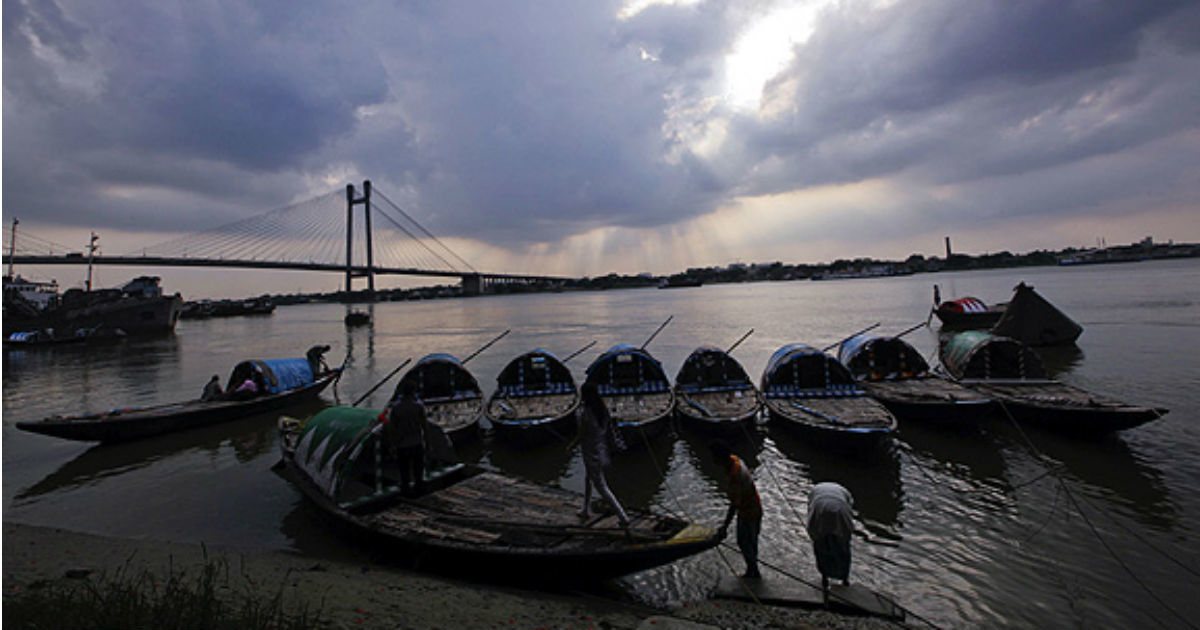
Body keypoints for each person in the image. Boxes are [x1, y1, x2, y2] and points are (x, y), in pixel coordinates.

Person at [576, 382, 629, 527]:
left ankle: (623, 517)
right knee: (588, 479)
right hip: (602, 451)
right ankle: (585, 509)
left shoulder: (585, 413)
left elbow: (581, 434)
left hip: (592, 454)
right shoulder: (602, 410)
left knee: (602, 487)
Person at [713, 442, 763, 579]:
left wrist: (724, 527)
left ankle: (753, 573)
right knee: (749, 542)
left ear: (720, 457)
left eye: (714, 457)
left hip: (749, 512)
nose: (713, 460)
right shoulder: (735, 460)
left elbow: (734, 505)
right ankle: (753, 571)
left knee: (745, 542)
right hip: (752, 507)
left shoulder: (735, 475)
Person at [807, 481, 855, 601]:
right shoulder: (845, 492)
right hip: (840, 508)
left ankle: (825, 577)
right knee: (843, 545)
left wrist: (814, 534)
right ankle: (845, 579)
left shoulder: (815, 490)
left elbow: (810, 510)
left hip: (820, 507)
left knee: (820, 544)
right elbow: (849, 509)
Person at [383, 381, 428, 495]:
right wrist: (428, 442)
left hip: (402, 444)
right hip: (417, 443)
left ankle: (406, 492)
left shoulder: (396, 408)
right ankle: (419, 491)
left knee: (404, 472)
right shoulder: (418, 406)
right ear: (413, 392)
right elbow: (425, 426)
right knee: (418, 471)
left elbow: (392, 428)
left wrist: (392, 444)